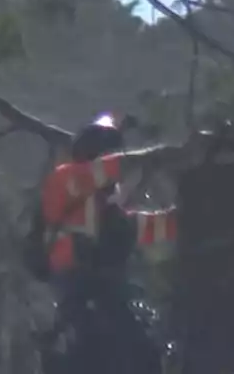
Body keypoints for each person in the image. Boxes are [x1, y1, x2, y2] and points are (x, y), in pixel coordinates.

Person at [29, 114, 208, 374]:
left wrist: (198, 198)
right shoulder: (66, 180)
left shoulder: (111, 218)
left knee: (148, 356)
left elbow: (160, 225)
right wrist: (176, 153)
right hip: (80, 300)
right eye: (110, 152)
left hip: (108, 301)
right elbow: (118, 166)